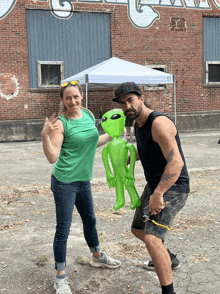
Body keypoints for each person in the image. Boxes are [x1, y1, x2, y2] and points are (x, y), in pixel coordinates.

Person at [41, 80, 121, 294]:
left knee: (90, 220)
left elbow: (91, 142)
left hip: (83, 181)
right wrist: (44, 136)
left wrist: (114, 134)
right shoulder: (60, 123)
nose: (72, 101)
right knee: (63, 230)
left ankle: (97, 257)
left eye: (75, 96)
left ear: (81, 96)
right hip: (64, 182)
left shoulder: (87, 115)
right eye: (68, 98)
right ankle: (60, 278)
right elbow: (52, 157)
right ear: (62, 100)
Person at [112, 82, 190, 294]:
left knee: (152, 238)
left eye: (130, 100)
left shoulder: (158, 124)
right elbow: (149, 148)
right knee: (138, 229)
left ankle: (169, 292)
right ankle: (169, 259)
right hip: (155, 184)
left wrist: (158, 194)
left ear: (141, 98)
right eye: (122, 103)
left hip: (173, 186)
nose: (127, 105)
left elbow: (176, 163)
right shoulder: (138, 123)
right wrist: (132, 157)